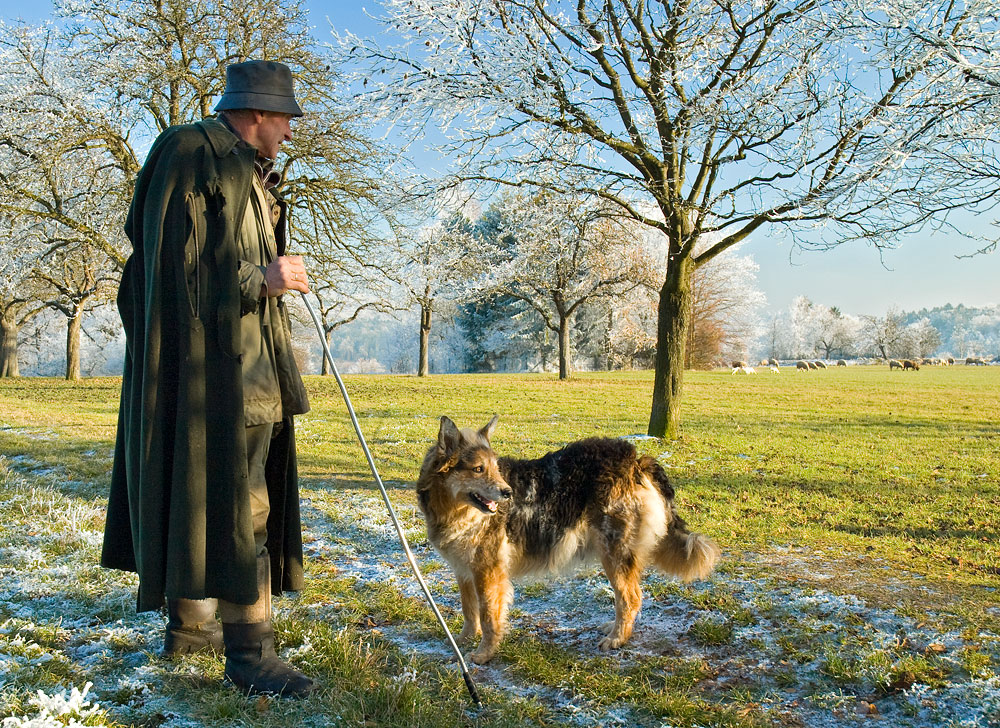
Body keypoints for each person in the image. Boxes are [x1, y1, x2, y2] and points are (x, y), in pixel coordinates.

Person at [101, 60, 315, 697]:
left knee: (216, 495)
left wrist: (265, 276)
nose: (286, 131)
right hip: (211, 375)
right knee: (238, 507)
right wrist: (262, 280)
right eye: (282, 119)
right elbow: (173, 270)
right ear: (255, 112)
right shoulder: (190, 152)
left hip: (251, 367)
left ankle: (195, 629)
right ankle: (251, 655)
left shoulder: (252, 176)